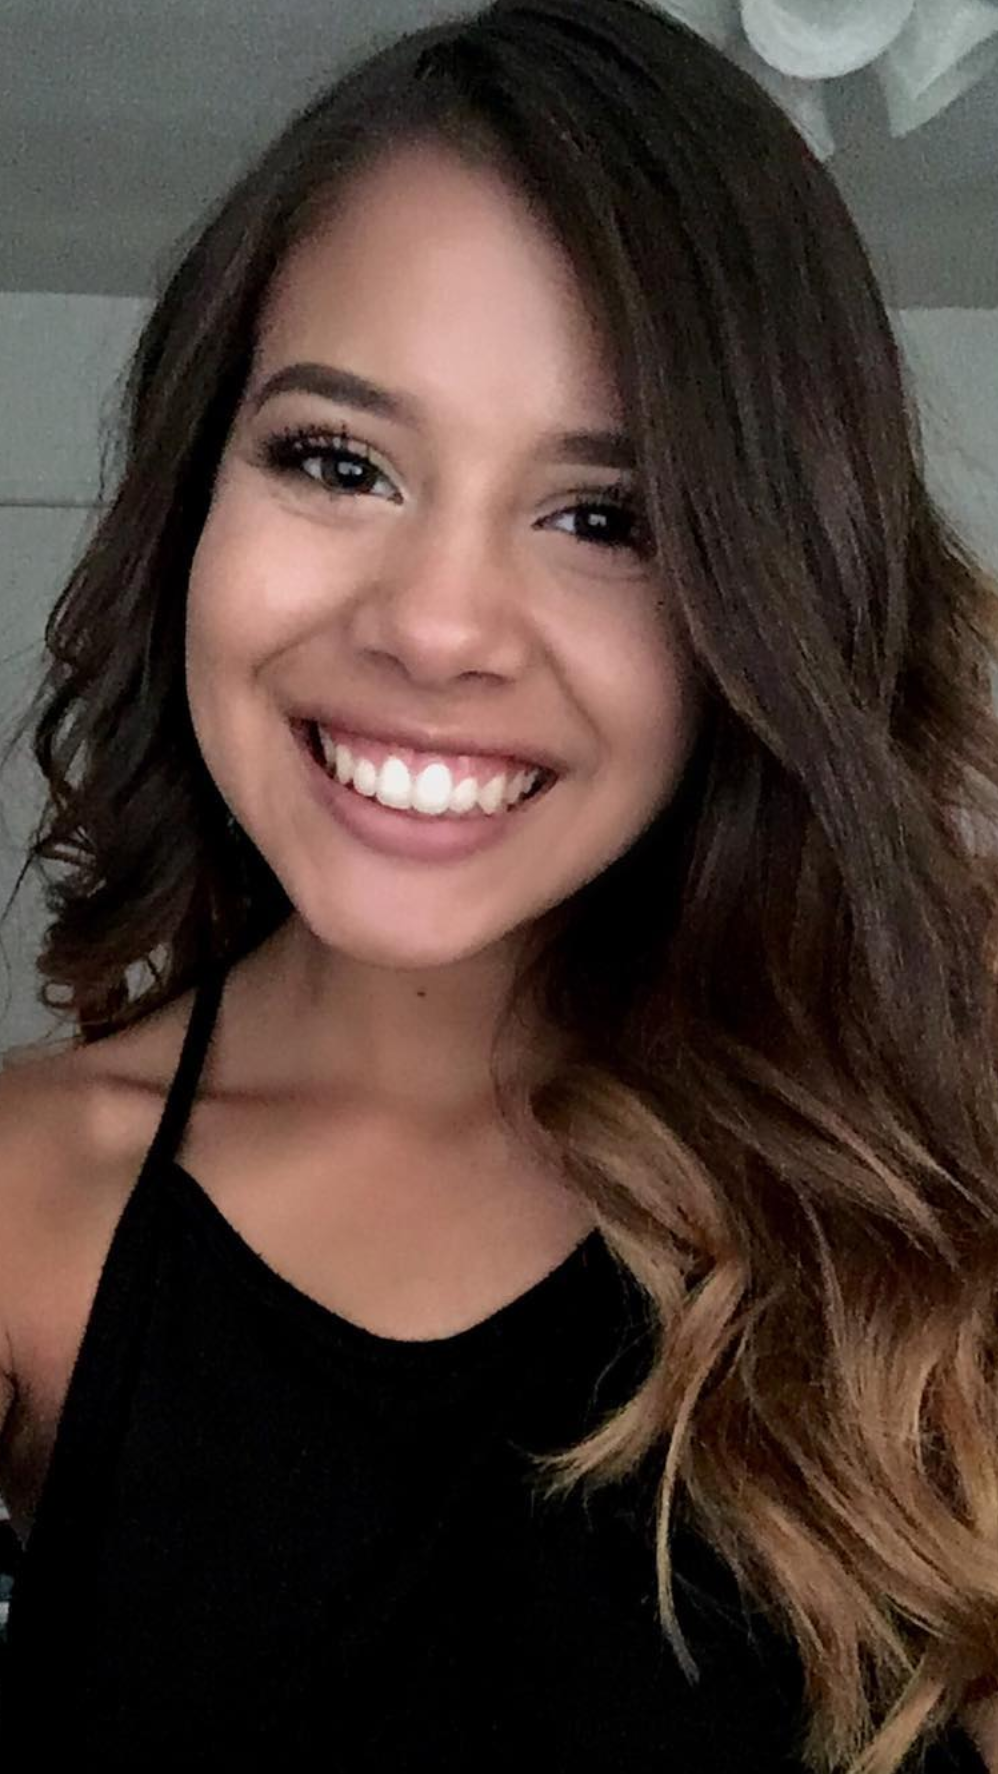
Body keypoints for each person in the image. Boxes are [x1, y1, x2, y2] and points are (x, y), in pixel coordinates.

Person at [0, 0, 997, 1765]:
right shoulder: (22, 1200)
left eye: (608, 518)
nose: (438, 625)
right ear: (190, 494)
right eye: (338, 461)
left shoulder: (936, 1210)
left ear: (772, 608)